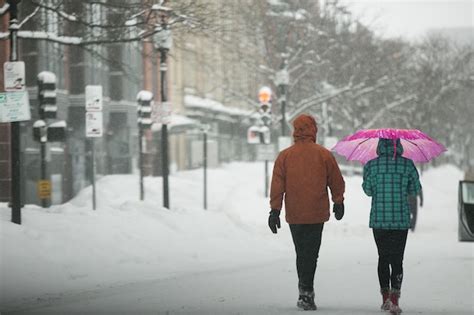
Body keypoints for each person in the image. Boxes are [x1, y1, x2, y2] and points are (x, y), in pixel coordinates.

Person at [268, 114, 345, 311]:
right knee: (311, 253)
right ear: (313, 130)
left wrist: (274, 211)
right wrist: (338, 201)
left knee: (301, 252)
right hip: (316, 212)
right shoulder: (324, 154)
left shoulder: (285, 156)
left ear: (295, 130)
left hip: (295, 213)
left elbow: (277, 185)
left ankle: (304, 291)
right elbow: (336, 180)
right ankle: (306, 292)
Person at [362, 138, 422, 315]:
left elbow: (368, 190)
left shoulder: (371, 165)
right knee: (397, 260)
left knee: (383, 258)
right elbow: (415, 189)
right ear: (399, 146)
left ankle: (385, 299)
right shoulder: (407, 164)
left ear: (380, 146)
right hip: (400, 221)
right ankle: (395, 300)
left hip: (379, 220)